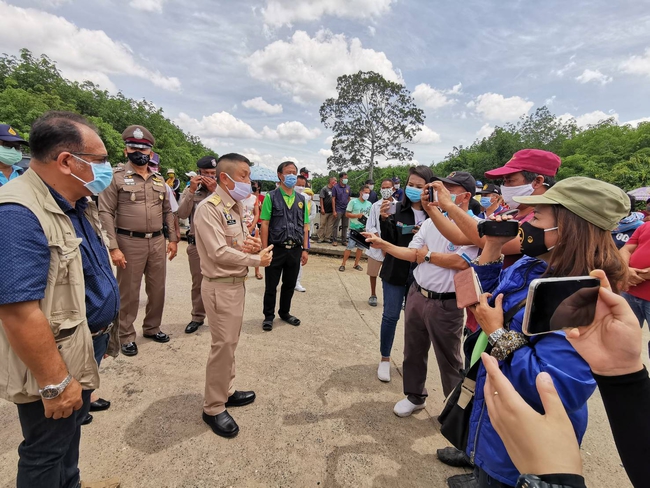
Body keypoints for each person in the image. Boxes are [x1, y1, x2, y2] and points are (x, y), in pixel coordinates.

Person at [444, 177, 629, 488]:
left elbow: (555, 388)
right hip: (495, 411)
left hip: (526, 443)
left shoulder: (583, 297)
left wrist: (498, 332)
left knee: (501, 474)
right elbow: (476, 297)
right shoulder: (531, 265)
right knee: (486, 459)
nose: (526, 225)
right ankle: (479, 471)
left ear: (569, 229)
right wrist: (492, 247)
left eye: (537, 218)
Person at [0, 111, 120, 488]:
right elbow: (19, 312)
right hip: (56, 358)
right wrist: (55, 382)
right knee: (44, 451)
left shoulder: (75, 201)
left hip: (82, 343)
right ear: (68, 161)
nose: (108, 169)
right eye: (101, 161)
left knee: (68, 437)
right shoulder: (18, 213)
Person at [480, 269, 650, 488]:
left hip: (519, 453)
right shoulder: (529, 264)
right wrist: (623, 373)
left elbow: (557, 389)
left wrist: (558, 481)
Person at [365, 172, 481, 414]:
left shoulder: (474, 227)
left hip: (447, 303)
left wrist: (428, 256)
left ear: (465, 196)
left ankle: (457, 412)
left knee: (449, 361)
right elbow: (411, 252)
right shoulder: (431, 222)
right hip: (418, 294)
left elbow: (461, 262)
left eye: (448, 190)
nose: (439, 194)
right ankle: (415, 396)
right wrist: (383, 244)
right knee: (413, 351)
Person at [193, 153, 274, 438]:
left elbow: (234, 245)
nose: (248, 182)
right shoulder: (209, 208)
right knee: (223, 345)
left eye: (249, 176)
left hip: (234, 284)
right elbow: (217, 252)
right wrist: (256, 262)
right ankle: (213, 407)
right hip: (219, 285)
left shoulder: (235, 206)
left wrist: (249, 246)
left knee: (231, 342)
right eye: (243, 176)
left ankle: (226, 390)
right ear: (224, 178)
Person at [98, 125, 178, 357]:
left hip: (156, 241)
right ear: (126, 151)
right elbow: (105, 213)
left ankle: (152, 328)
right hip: (128, 241)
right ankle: (126, 335)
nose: (138, 152)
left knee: (157, 289)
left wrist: (172, 239)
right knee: (129, 292)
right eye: (133, 147)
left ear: (151, 153)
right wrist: (113, 247)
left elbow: (168, 212)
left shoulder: (159, 179)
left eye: (143, 148)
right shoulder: (116, 178)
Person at [429, 149, 561, 268]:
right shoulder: (509, 213)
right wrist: (430, 209)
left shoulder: (547, 222)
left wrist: (449, 205)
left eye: (510, 181)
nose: (505, 187)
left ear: (537, 181)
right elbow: (458, 237)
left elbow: (491, 242)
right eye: (504, 182)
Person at [374, 166, 433, 382]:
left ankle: (412, 364)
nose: (414, 189)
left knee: (415, 322)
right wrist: (384, 219)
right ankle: (385, 359)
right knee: (390, 316)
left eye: (420, 186)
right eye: (411, 185)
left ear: (428, 188)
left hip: (422, 275)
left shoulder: (435, 215)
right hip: (394, 272)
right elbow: (388, 241)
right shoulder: (396, 209)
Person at [260, 161, 310, 331]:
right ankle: (268, 316)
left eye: (294, 172)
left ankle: (285, 312)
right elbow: (265, 224)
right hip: (276, 249)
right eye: (288, 172)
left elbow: (305, 226)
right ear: (280, 175)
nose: (292, 175)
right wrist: (264, 249)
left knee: (289, 284)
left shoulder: (301, 199)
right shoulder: (271, 197)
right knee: (271, 286)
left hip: (295, 250)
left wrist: (305, 249)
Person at [177, 155, 218, 334]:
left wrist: (216, 191)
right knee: (198, 283)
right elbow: (182, 213)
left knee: (220, 283)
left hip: (218, 245)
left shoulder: (224, 191)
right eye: (206, 173)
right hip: (196, 245)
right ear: (199, 173)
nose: (210, 176)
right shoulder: (192, 191)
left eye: (213, 173)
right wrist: (191, 191)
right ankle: (197, 317)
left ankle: (218, 317)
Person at [365, 178, 394, 306]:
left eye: (388, 187)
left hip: (393, 246)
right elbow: (370, 226)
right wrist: (380, 243)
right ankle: (373, 294)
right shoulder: (375, 206)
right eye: (383, 188)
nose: (385, 190)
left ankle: (391, 297)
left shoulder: (398, 206)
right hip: (377, 244)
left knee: (391, 274)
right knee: (373, 272)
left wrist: (387, 246)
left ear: (393, 189)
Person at [620, 220, 650, 335]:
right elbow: (625, 249)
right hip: (629, 292)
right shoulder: (645, 226)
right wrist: (625, 269)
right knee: (625, 336)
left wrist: (634, 275)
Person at [339, 185, 372, 272]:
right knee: (349, 247)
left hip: (363, 229)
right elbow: (347, 214)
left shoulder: (369, 204)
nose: (367, 194)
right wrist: (357, 215)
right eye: (366, 192)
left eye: (368, 193)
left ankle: (356, 264)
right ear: (361, 192)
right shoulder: (353, 202)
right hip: (353, 228)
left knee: (360, 248)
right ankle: (343, 264)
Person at [294, 176, 313, 292]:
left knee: (299, 260)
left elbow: (307, 221)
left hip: (300, 233)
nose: (300, 188)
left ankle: (297, 282)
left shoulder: (305, 200)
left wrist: (305, 248)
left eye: (303, 186)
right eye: (298, 185)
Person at [331, 171, 351, 246]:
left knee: (345, 226)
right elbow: (333, 199)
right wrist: (334, 210)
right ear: (341, 178)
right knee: (335, 225)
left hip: (346, 209)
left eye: (347, 178)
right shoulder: (335, 187)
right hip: (338, 209)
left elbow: (349, 198)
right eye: (345, 178)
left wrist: (349, 209)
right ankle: (334, 240)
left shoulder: (348, 187)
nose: (346, 179)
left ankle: (344, 240)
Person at [251, 182, 264, 280]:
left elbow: (263, 211)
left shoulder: (263, 197)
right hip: (247, 224)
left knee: (256, 247)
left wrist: (259, 206)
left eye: (255, 185)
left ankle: (257, 271)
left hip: (258, 222)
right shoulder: (244, 198)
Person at [318, 176, 337, 243]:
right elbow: (321, 199)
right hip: (325, 210)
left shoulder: (335, 189)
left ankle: (327, 238)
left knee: (330, 225)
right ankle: (321, 237)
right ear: (331, 181)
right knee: (322, 224)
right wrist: (322, 208)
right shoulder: (324, 189)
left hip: (332, 211)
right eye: (335, 180)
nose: (336, 182)